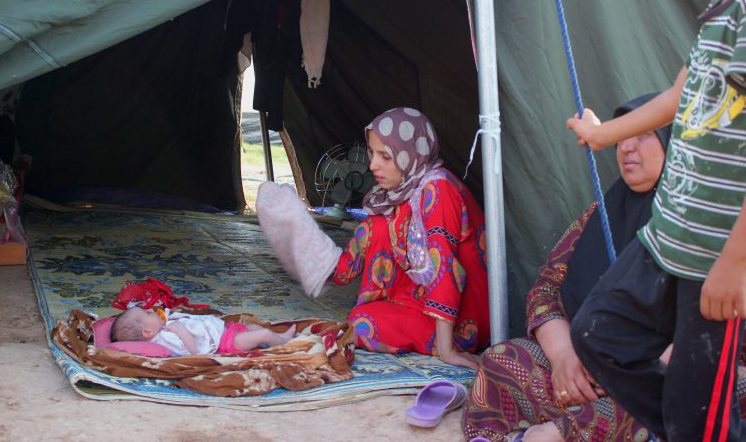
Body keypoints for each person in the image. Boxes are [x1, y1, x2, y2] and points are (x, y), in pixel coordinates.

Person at [565, 0, 746, 440]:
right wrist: (601, 135)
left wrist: (736, 263)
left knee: (700, 420)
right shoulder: (722, 15)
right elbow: (677, 96)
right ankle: (686, 426)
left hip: (714, 262)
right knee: (596, 333)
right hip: (666, 242)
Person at [463, 95, 673, 442]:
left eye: (645, 134)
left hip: (649, 375)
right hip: (581, 366)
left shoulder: (697, 225)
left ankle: (553, 434)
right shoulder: (602, 213)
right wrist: (563, 357)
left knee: (677, 398)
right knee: (502, 360)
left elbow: (715, 328)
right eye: (622, 136)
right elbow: (546, 287)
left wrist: (627, 369)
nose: (627, 148)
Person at [257, 108, 490, 369]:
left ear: (410, 155)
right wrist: (298, 231)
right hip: (424, 296)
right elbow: (371, 246)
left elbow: (444, 268)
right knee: (376, 227)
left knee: (362, 323)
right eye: (371, 153)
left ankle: (445, 340)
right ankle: (326, 266)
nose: (372, 165)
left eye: (385, 156)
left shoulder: (438, 190)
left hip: (464, 319)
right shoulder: (405, 189)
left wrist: (447, 352)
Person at [111, 306, 297, 356]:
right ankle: (287, 344)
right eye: (146, 313)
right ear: (147, 333)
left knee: (254, 327)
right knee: (261, 334)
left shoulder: (165, 325)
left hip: (225, 330)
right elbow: (193, 352)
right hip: (226, 343)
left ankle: (278, 337)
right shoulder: (166, 338)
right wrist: (179, 329)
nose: (151, 310)